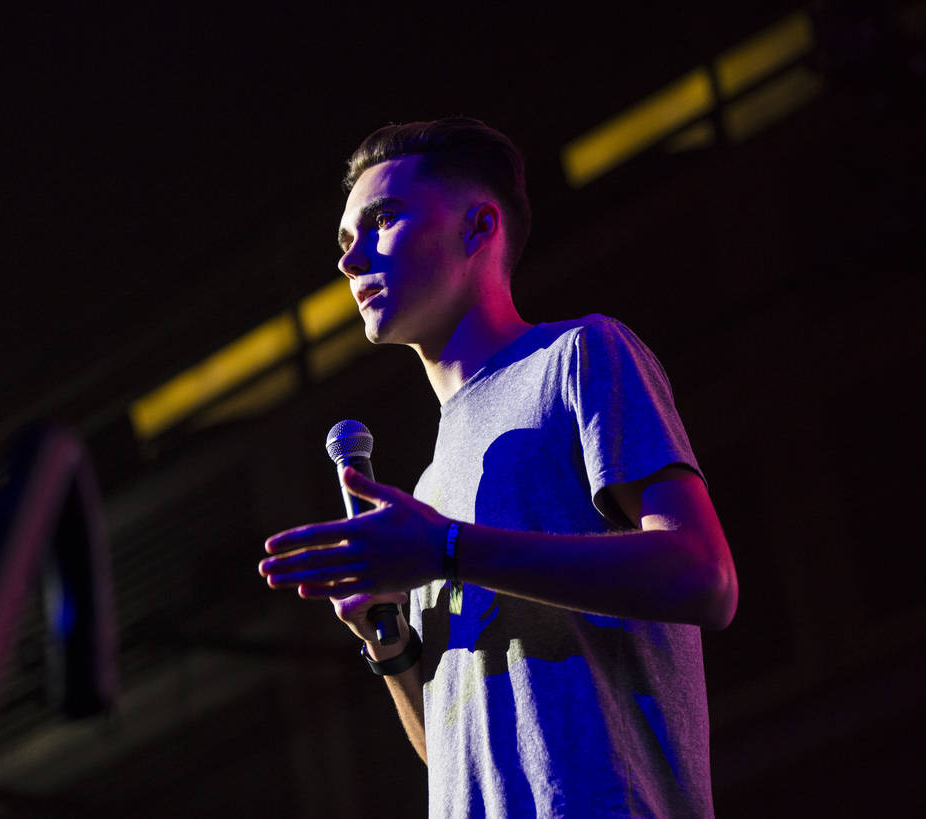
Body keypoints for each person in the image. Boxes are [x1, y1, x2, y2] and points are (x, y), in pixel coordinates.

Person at [259, 117, 738, 818]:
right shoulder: (424, 493)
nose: (349, 260)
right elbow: (453, 752)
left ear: (479, 227)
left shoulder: (579, 357)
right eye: (342, 241)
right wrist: (388, 643)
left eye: (382, 219)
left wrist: (447, 548)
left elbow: (705, 577)